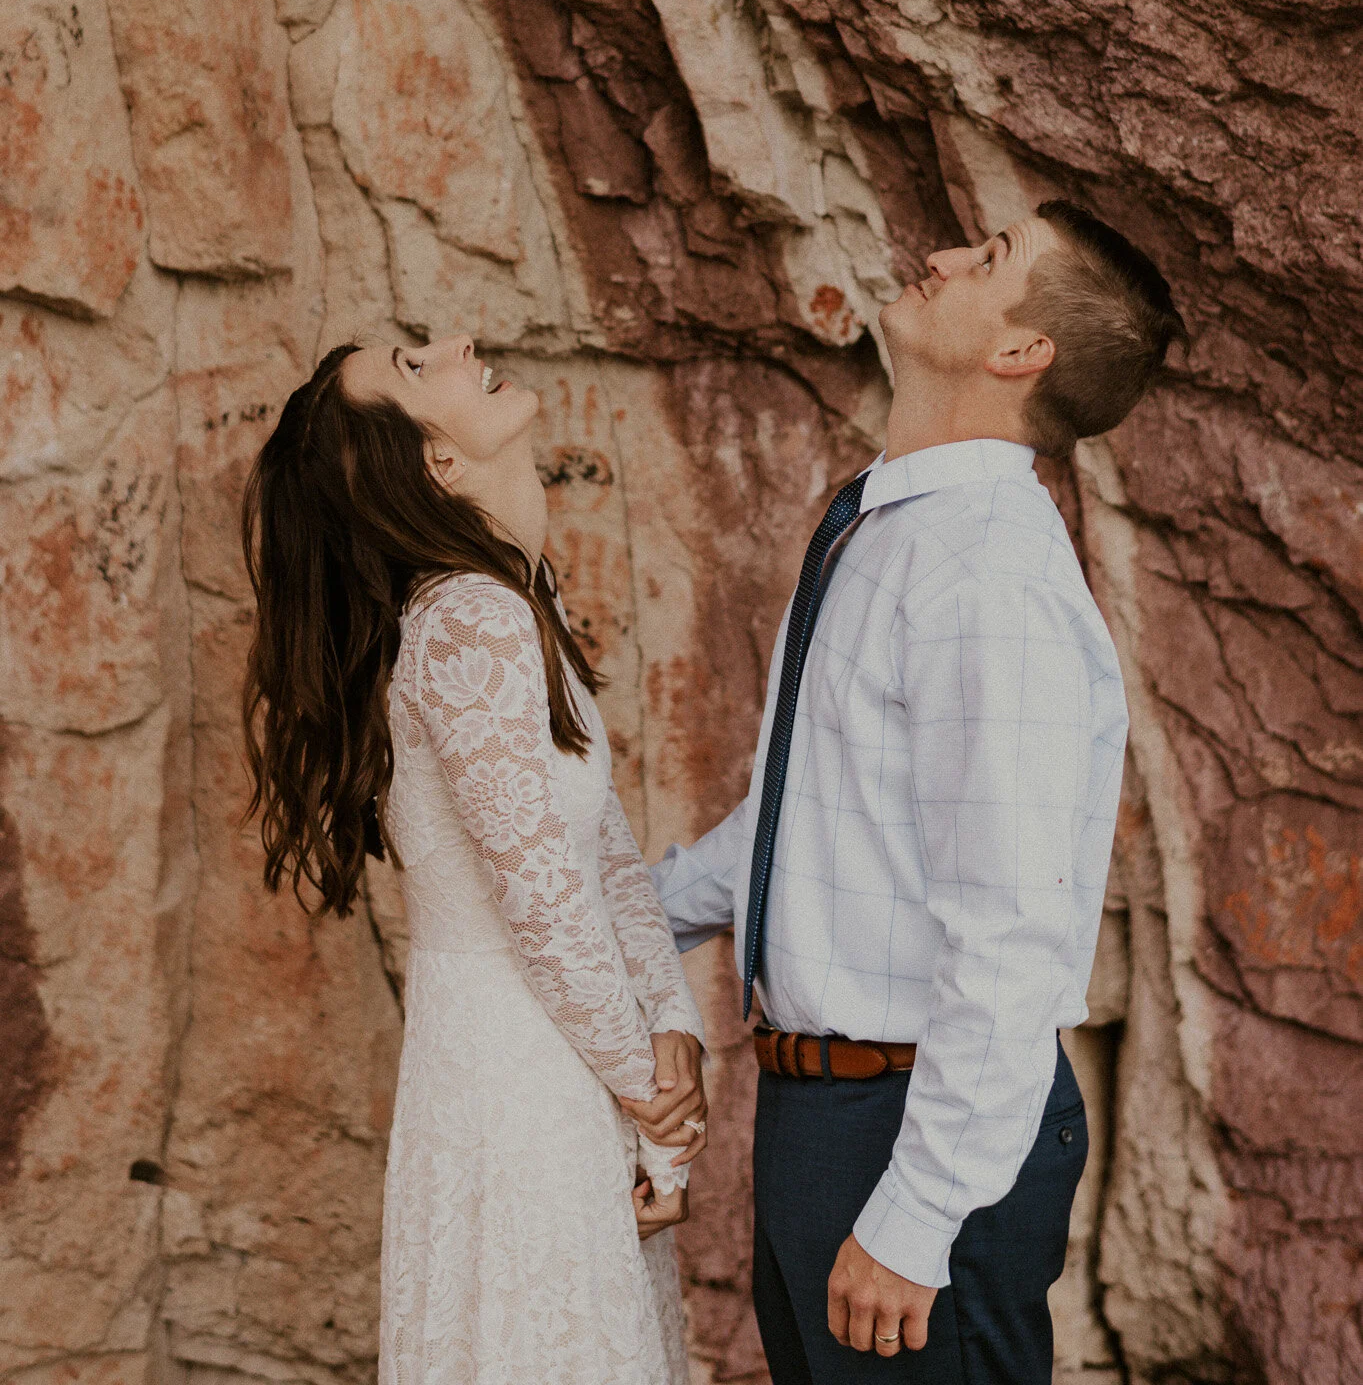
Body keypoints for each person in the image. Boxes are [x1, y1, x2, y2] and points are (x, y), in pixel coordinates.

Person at [651, 200, 1187, 1383]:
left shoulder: (990, 574)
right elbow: (814, 819)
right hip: (818, 1113)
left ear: (1018, 352)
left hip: (918, 1128)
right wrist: (639, 905)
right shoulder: (889, 522)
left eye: (989, 259)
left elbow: (1008, 930)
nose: (941, 255)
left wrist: (916, 1213)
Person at [240, 335, 708, 1385]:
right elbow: (541, 901)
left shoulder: (509, 600)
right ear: (436, 462)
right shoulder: (469, 622)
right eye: (417, 363)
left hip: (570, 1061)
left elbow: (610, 860)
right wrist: (654, 1099)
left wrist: (671, 1023)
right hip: (518, 1083)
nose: (457, 344)